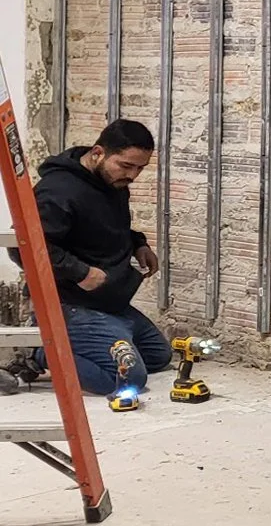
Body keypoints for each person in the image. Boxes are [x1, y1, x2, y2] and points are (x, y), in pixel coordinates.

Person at [8, 120, 173, 398]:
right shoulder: (58, 191)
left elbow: (99, 227)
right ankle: (41, 352)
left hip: (108, 303)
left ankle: (109, 334)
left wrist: (138, 244)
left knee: (159, 355)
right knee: (126, 378)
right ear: (98, 153)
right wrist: (79, 271)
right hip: (70, 303)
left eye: (140, 168)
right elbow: (21, 246)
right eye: (126, 165)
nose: (133, 176)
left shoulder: (111, 180)